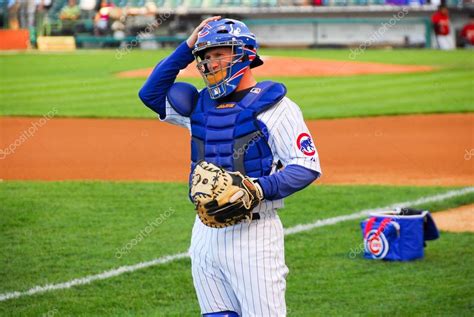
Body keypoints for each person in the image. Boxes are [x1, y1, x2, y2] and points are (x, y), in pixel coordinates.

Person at [139, 17, 321, 316]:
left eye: (219, 54)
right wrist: (187, 46)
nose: (210, 63)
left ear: (245, 55)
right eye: (206, 57)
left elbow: (306, 166)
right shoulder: (198, 106)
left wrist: (256, 188)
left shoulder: (277, 106)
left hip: (254, 234)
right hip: (205, 231)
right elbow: (151, 94)